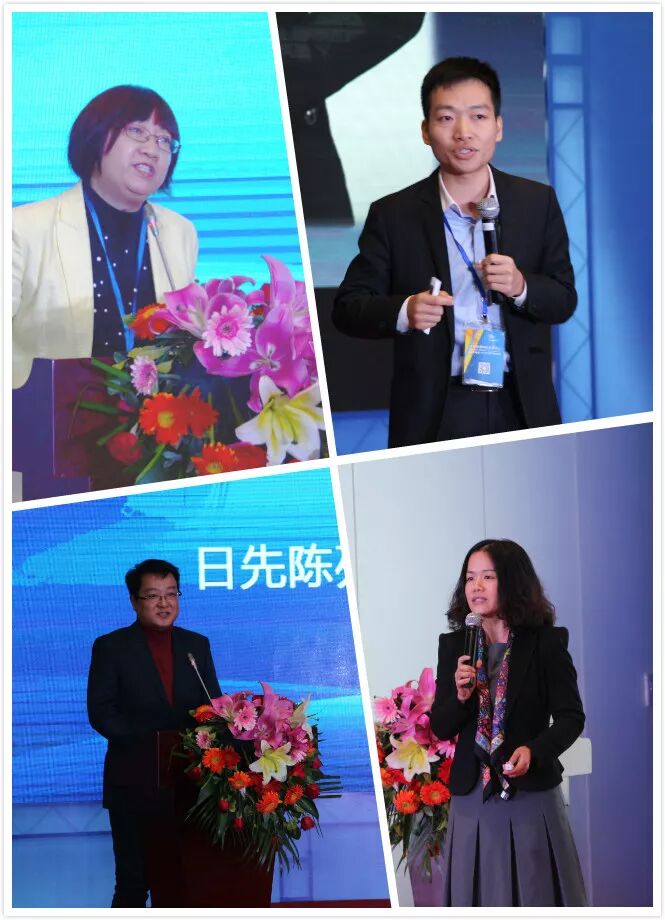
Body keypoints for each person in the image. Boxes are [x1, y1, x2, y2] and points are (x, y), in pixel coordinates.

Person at [333, 57, 576, 447]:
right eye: (446, 118)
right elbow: (348, 308)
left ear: (498, 127)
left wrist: (521, 286)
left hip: (521, 402)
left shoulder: (537, 202)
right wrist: (405, 311)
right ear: (425, 131)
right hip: (436, 407)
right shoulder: (393, 214)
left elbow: (564, 299)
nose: (463, 133)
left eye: (478, 117)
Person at [429, 539, 587, 907]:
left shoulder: (545, 643)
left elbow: (571, 717)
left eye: (488, 577)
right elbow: (441, 726)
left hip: (530, 794)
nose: (476, 586)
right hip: (473, 799)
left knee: (535, 894)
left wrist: (534, 750)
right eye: (470, 577)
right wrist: (461, 696)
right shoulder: (455, 646)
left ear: (512, 581)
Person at [12, 85, 197, 389]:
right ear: (96, 136)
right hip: (42, 410)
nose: (152, 149)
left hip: (151, 410)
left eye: (164, 140)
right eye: (137, 131)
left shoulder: (179, 233)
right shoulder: (21, 229)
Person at [87, 559, 220, 908]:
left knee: (185, 884)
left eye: (171, 594)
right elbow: (101, 712)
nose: (164, 603)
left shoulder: (196, 645)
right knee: (133, 884)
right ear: (134, 601)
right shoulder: (111, 647)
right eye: (153, 595)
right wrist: (150, 742)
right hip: (134, 785)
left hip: (190, 787)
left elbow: (213, 708)